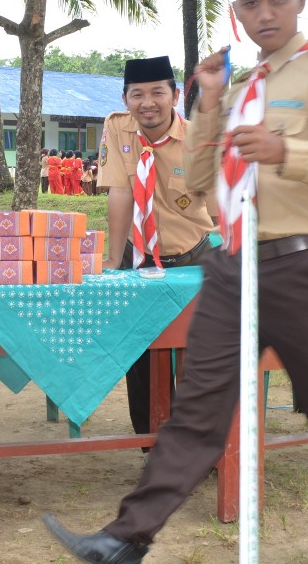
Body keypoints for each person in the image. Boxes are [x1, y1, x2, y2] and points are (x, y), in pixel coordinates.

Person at [44, 0, 308, 564]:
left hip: (306, 263)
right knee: (197, 406)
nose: (265, 14)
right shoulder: (241, 89)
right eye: (251, 2)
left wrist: (289, 152)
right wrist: (207, 103)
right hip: (234, 264)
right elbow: (202, 181)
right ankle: (126, 540)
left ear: (300, 2)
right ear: (238, 9)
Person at [97, 54, 215, 439]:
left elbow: (220, 206)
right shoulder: (118, 130)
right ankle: (155, 445)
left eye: (157, 93)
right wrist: (114, 261)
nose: (147, 103)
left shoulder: (199, 140)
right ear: (126, 99)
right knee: (142, 355)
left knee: (202, 356)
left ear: (175, 96)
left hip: (193, 258)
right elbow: (120, 191)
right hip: (141, 257)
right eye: (137, 94)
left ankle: (202, 444)